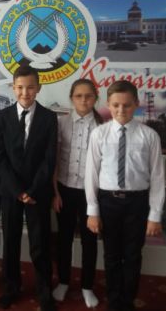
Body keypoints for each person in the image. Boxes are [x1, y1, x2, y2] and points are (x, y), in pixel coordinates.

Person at [85, 80, 165, 311]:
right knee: (111, 255)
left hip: (136, 203)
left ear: (136, 104)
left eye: (127, 105)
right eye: (116, 105)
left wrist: (155, 215)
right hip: (108, 202)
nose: (121, 110)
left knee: (132, 255)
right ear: (108, 104)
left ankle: (127, 301)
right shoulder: (99, 134)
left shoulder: (149, 136)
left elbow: (158, 177)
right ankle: (114, 301)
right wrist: (92, 211)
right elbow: (91, 174)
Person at [0, 65, 57, 311]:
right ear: (13, 88)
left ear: (38, 88)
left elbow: (49, 159)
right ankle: (11, 288)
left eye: (30, 87)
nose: (25, 92)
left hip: (37, 192)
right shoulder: (3, 117)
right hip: (11, 192)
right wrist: (17, 191)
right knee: (10, 241)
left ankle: (44, 291)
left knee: (40, 243)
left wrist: (31, 190)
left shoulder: (49, 117)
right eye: (20, 87)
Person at [52, 79, 103, 308]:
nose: (84, 100)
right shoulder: (60, 123)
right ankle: (63, 281)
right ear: (71, 98)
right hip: (64, 189)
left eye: (89, 96)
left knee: (89, 241)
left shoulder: (102, 126)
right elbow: (53, 160)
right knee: (63, 238)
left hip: (91, 194)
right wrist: (55, 193)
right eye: (79, 96)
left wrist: (98, 200)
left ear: (96, 98)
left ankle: (87, 286)